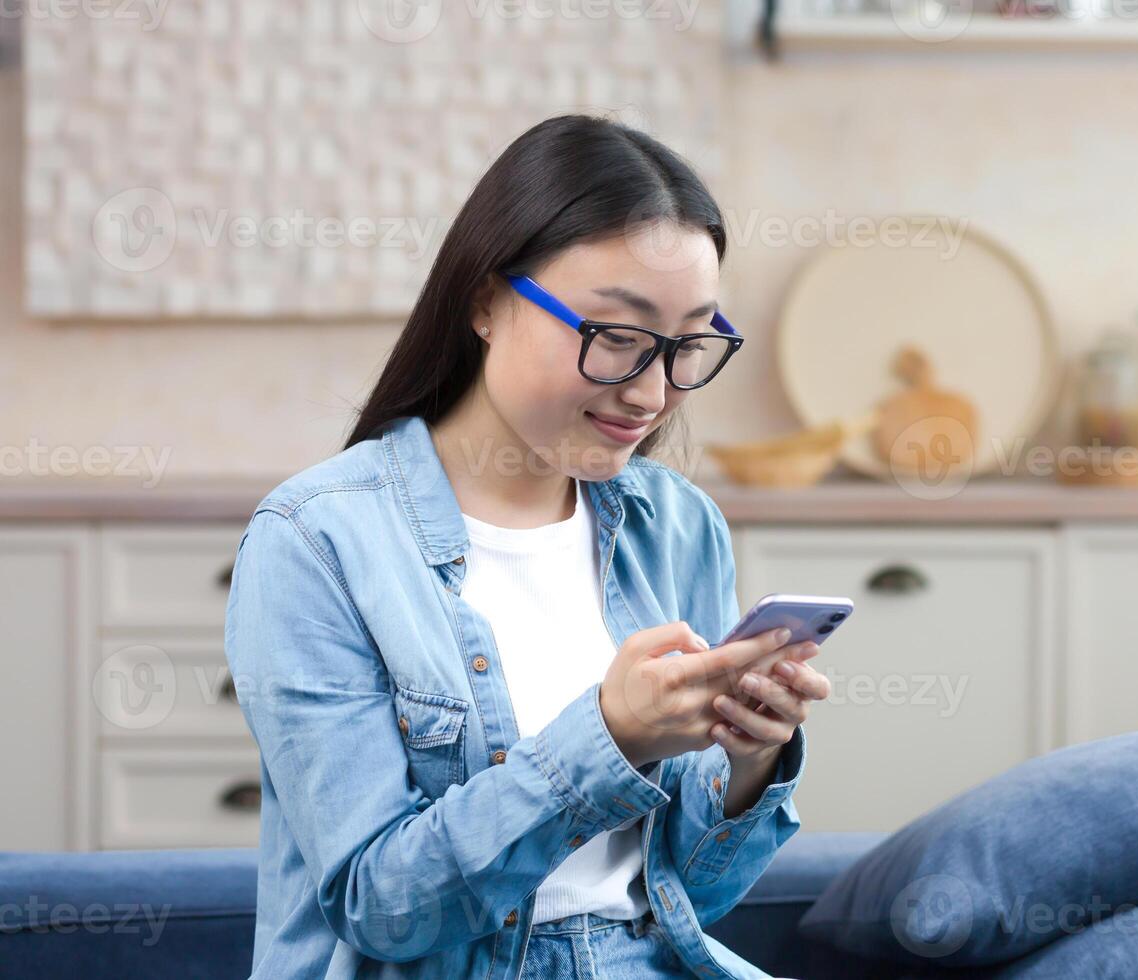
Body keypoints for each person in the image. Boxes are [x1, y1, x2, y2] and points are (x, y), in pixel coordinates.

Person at [224, 113, 829, 979]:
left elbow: (688, 894)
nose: (653, 392)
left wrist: (751, 758)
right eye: (616, 337)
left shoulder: (678, 526)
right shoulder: (318, 542)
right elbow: (380, 906)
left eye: (686, 343)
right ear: (485, 300)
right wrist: (610, 741)